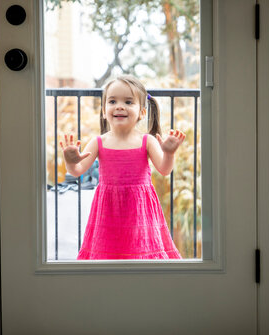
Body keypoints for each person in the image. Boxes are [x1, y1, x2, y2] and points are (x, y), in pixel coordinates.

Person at [60, 75, 186, 260]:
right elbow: (77, 170)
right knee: (109, 258)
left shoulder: (147, 141)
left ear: (142, 112)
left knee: (139, 256)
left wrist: (169, 153)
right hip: (108, 212)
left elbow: (165, 169)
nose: (120, 106)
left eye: (128, 102)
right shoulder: (98, 142)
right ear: (104, 110)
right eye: (112, 101)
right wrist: (71, 161)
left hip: (139, 212)